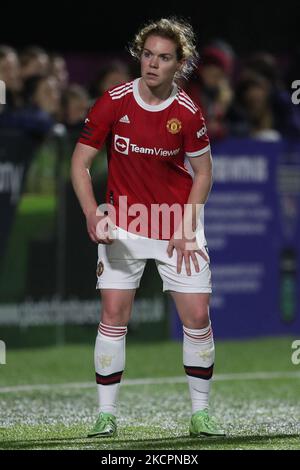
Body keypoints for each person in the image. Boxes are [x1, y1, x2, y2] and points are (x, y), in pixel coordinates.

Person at [71, 17, 225, 438]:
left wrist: (187, 225)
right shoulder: (113, 101)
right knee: (113, 314)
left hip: (176, 223)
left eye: (164, 57)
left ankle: (200, 414)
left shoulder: (188, 112)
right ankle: (105, 415)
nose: (152, 64)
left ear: (180, 64)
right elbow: (80, 162)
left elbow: (204, 174)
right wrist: (91, 213)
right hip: (124, 224)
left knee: (196, 316)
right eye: (147, 55)